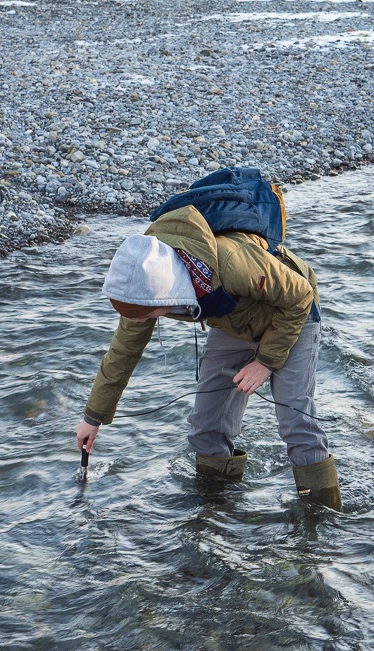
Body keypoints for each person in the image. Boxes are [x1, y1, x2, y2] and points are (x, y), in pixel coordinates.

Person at [75, 203, 341, 510]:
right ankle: (216, 511)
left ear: (164, 295)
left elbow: (300, 296)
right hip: (235, 321)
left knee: (295, 423)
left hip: (292, 315)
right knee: (206, 426)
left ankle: (320, 522)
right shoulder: (141, 292)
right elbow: (122, 352)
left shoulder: (230, 262)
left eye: (144, 315)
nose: (139, 322)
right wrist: (92, 418)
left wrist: (265, 363)